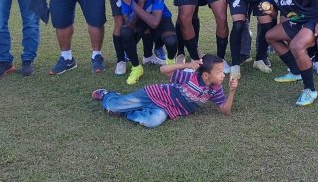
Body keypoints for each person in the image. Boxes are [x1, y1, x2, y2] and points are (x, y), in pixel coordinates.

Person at [92, 54, 237, 129]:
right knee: (113, 106)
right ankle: (108, 95)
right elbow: (163, 70)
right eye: (219, 72)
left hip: (167, 109)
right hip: (154, 94)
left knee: (152, 121)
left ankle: (126, 111)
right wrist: (187, 64)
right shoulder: (190, 77)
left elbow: (225, 111)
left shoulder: (215, 90)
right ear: (206, 75)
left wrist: (231, 91)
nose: (223, 74)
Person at [115, 0, 178, 85]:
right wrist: (140, 1)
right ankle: (136, 68)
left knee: (171, 40)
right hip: (138, 21)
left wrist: (133, 3)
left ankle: (170, 63)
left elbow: (155, 22)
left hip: (160, 19)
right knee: (125, 31)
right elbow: (129, 23)